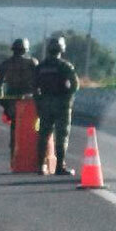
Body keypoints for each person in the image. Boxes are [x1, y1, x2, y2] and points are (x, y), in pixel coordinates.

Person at [34, 36, 80, 176]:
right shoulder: (64, 66)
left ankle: (41, 166)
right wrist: (67, 99)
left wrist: (39, 103)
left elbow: (34, 87)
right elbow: (75, 85)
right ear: (62, 49)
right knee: (62, 136)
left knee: (43, 135)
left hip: (45, 103)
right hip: (62, 104)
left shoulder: (40, 67)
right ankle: (59, 166)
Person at [0, 38, 38, 147]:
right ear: (25, 49)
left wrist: (3, 101)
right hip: (29, 100)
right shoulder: (33, 63)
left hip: (12, 100)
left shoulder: (5, 64)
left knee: (15, 127)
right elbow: (39, 82)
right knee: (32, 128)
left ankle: (15, 151)